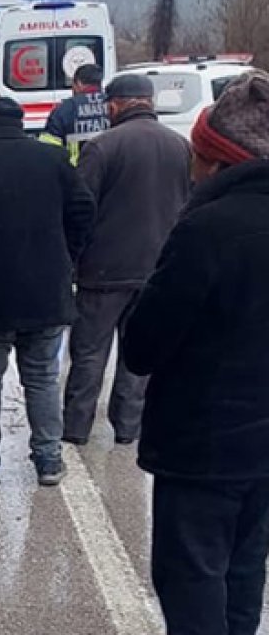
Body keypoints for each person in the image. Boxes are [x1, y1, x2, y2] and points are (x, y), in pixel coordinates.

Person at [121, 71, 269, 635]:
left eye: (198, 154)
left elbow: (142, 347)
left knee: (192, 579)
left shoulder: (208, 228)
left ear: (219, 160)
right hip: (263, 446)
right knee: (244, 571)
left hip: (203, 445)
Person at [0, 97, 95, 489]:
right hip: (47, 289)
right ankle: (48, 459)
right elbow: (83, 211)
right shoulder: (54, 160)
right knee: (42, 377)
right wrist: (66, 257)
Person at [61, 73, 191, 447]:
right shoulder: (181, 147)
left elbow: (80, 210)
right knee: (137, 357)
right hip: (157, 269)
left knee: (89, 352)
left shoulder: (102, 147)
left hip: (103, 269)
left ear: (114, 105)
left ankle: (76, 428)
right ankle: (128, 428)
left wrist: (73, 260)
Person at [39, 64, 110, 165]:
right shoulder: (113, 105)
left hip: (76, 172)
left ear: (79, 83)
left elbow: (48, 148)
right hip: (110, 171)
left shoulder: (65, 109)